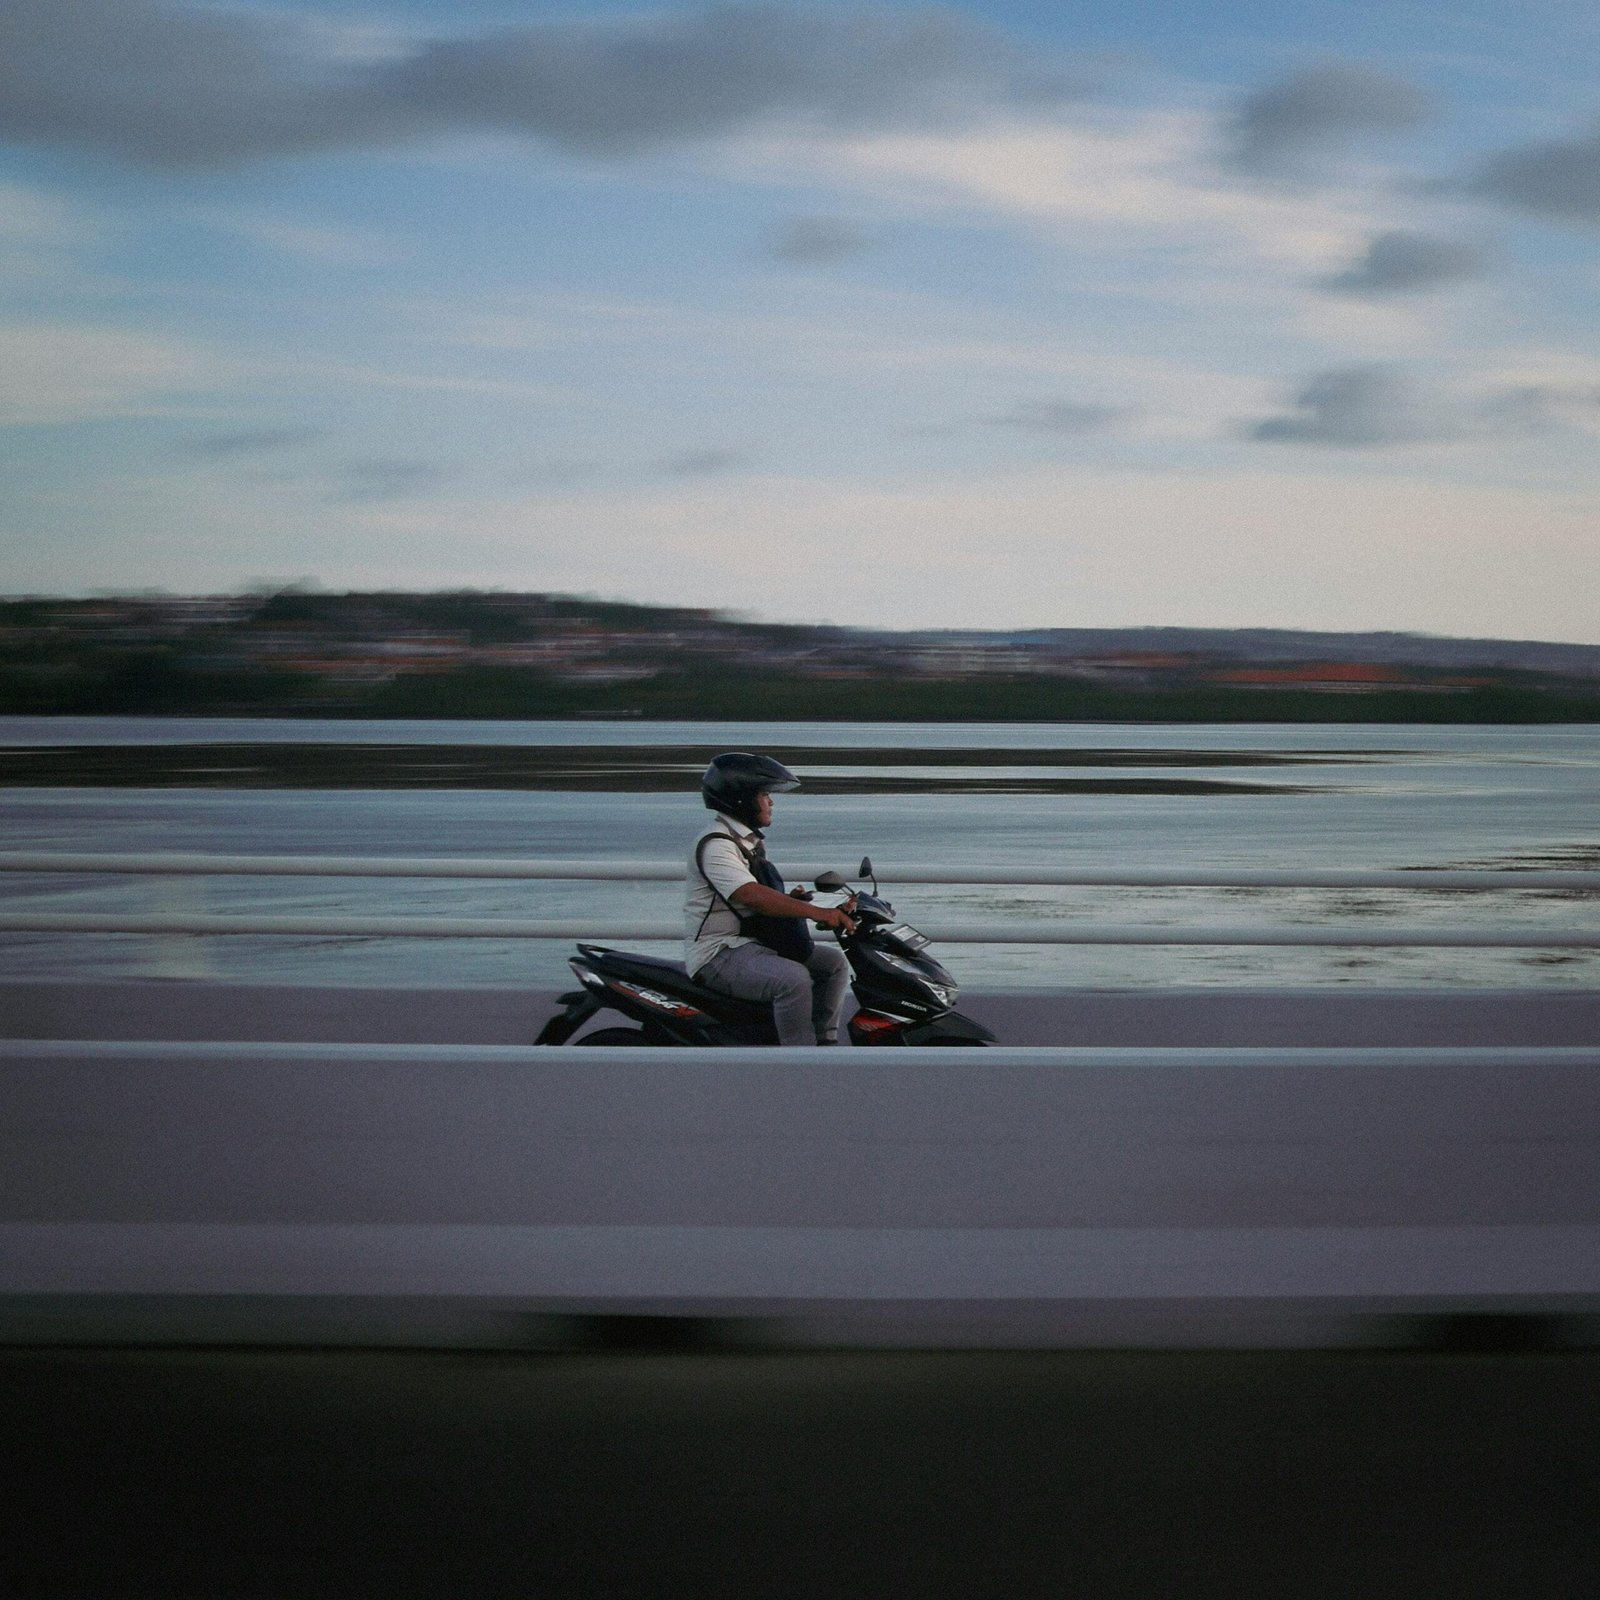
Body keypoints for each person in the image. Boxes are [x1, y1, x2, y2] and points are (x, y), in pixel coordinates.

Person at [685, 752, 856, 1045]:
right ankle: (798, 1061)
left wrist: (794, 901)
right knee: (793, 980)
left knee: (833, 964)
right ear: (741, 798)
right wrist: (816, 912)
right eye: (764, 794)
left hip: (752, 944)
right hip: (718, 954)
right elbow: (750, 895)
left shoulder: (746, 842)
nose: (771, 802)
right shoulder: (716, 844)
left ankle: (825, 1043)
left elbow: (756, 899)